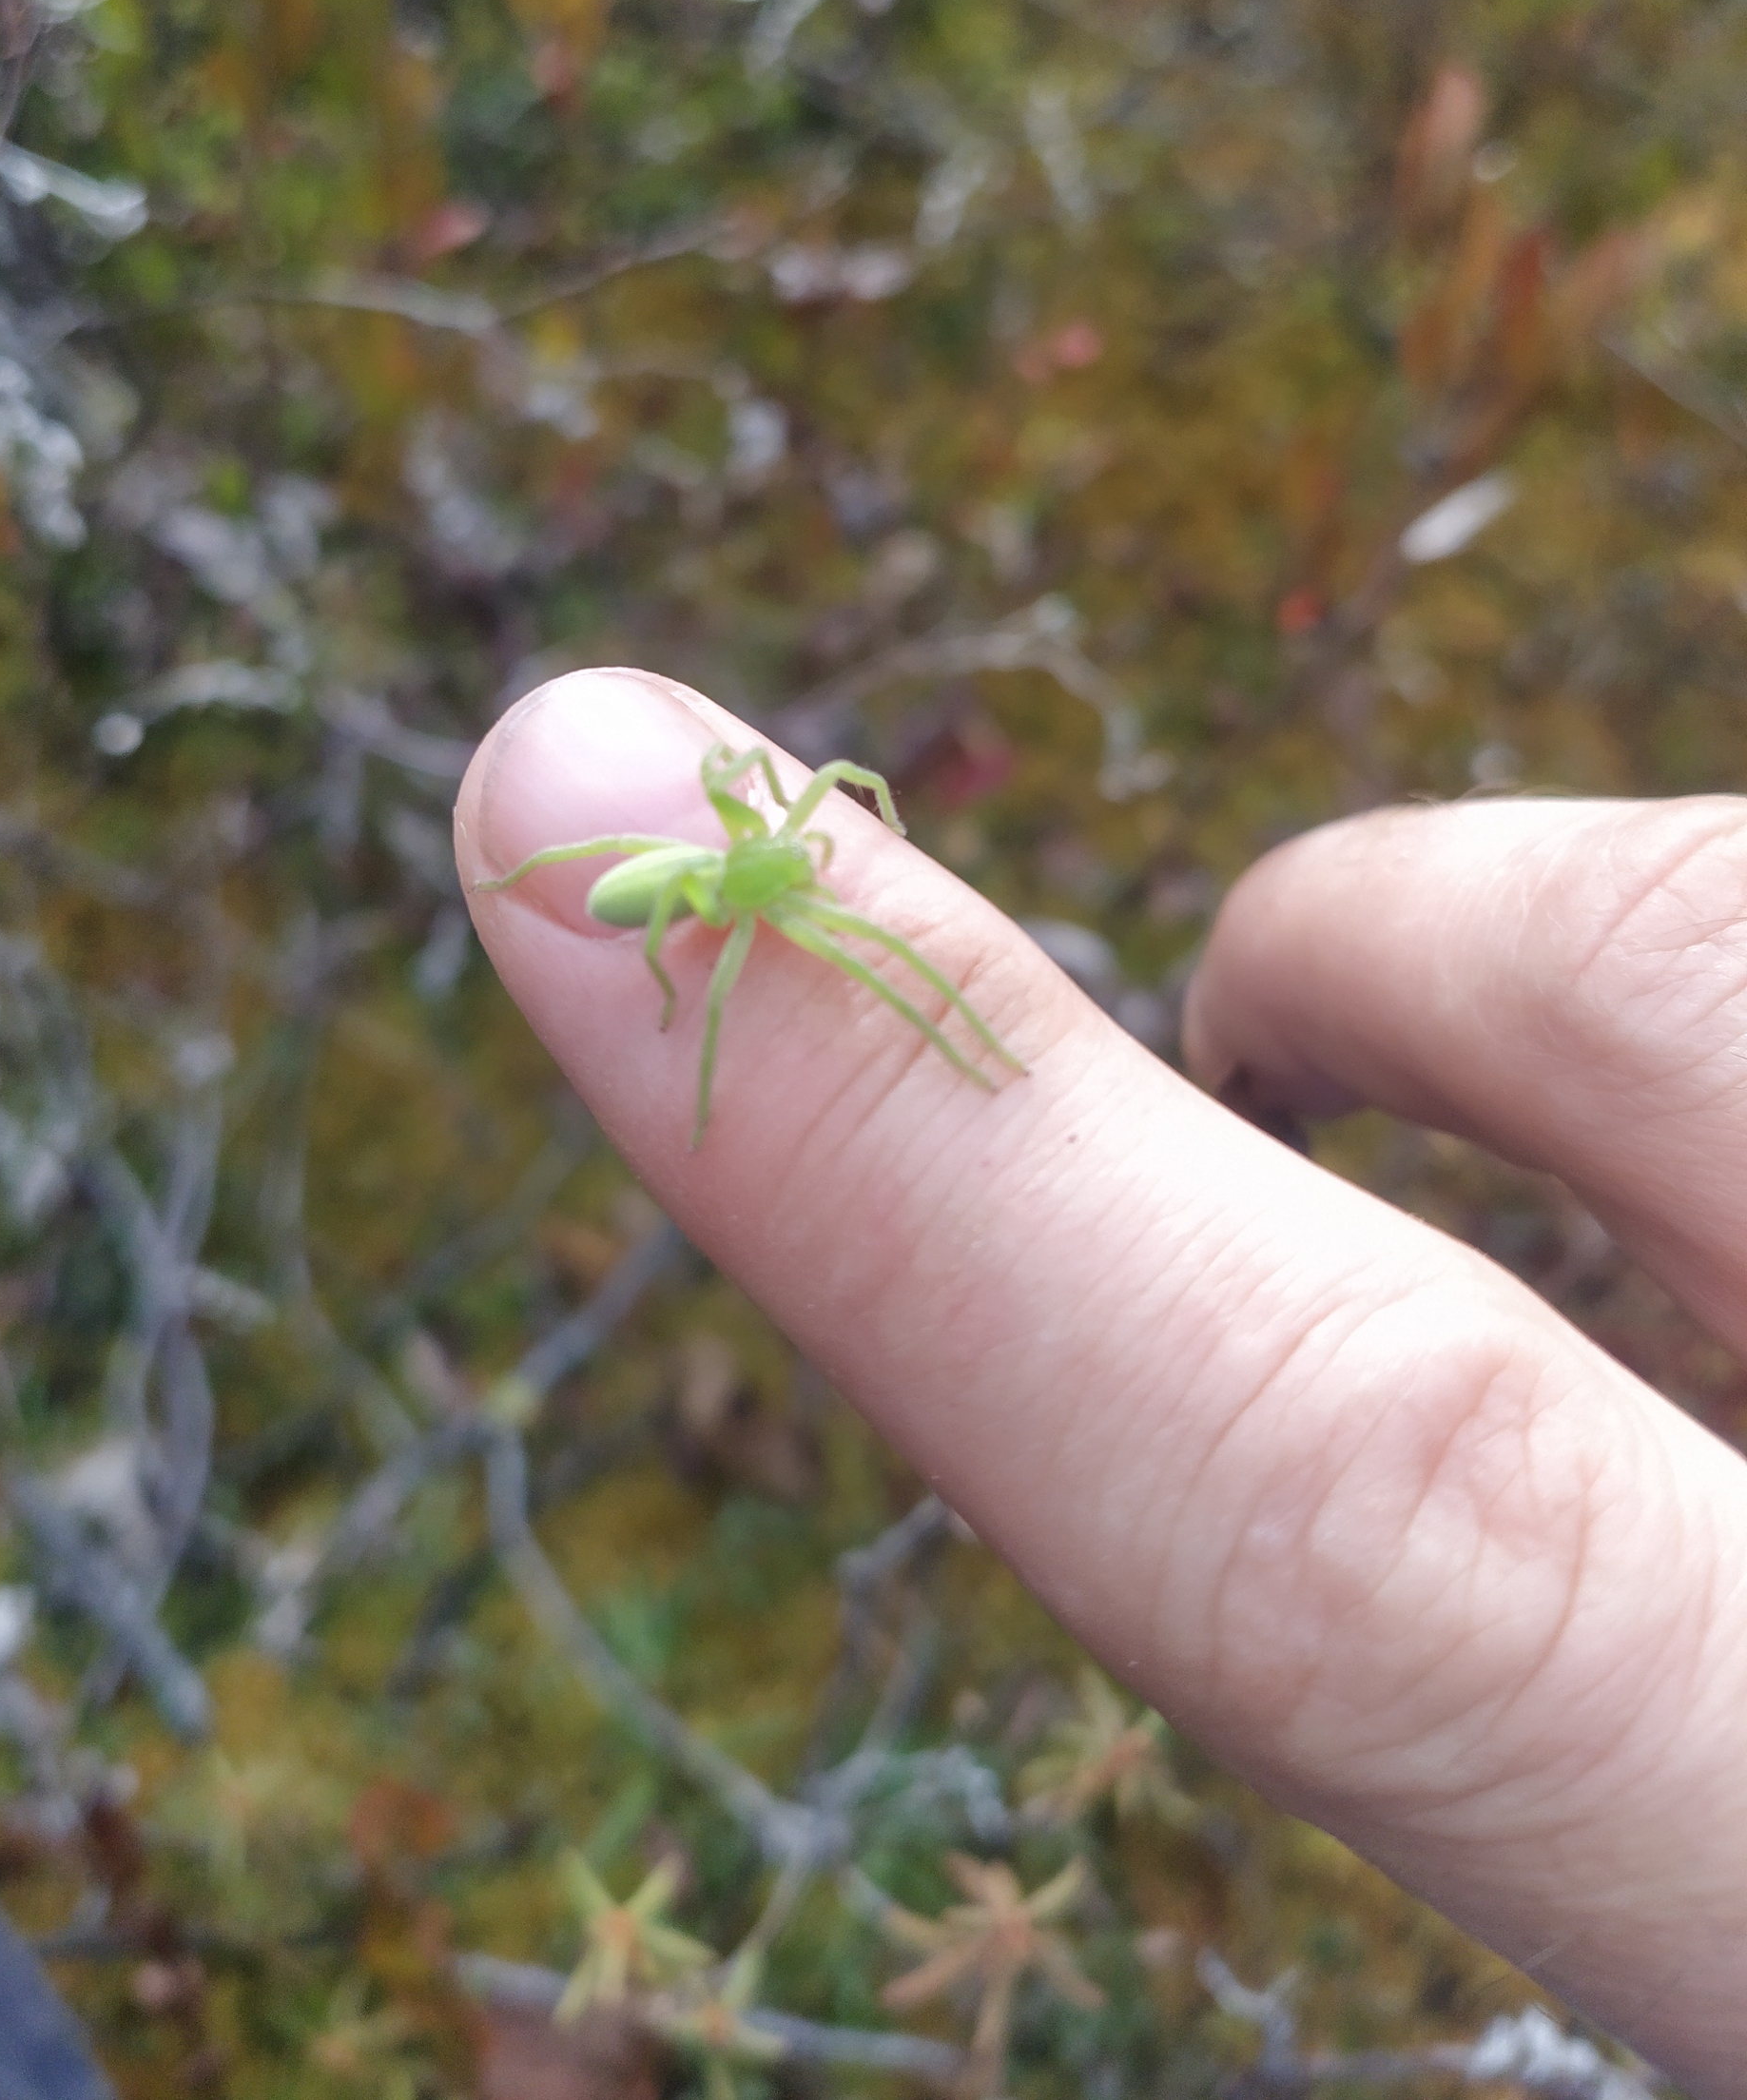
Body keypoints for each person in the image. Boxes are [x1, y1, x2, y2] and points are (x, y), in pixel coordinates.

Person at [456, 666, 1747, 2097]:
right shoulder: (759, 895)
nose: (825, 835)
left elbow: (843, 813)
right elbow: (845, 945)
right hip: (688, 893)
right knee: (837, 970)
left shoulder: (784, 856)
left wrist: (871, 832)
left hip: (707, 884)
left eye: (834, 825)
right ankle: (582, 899)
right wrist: (816, 1023)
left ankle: (877, 1020)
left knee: (856, 957)